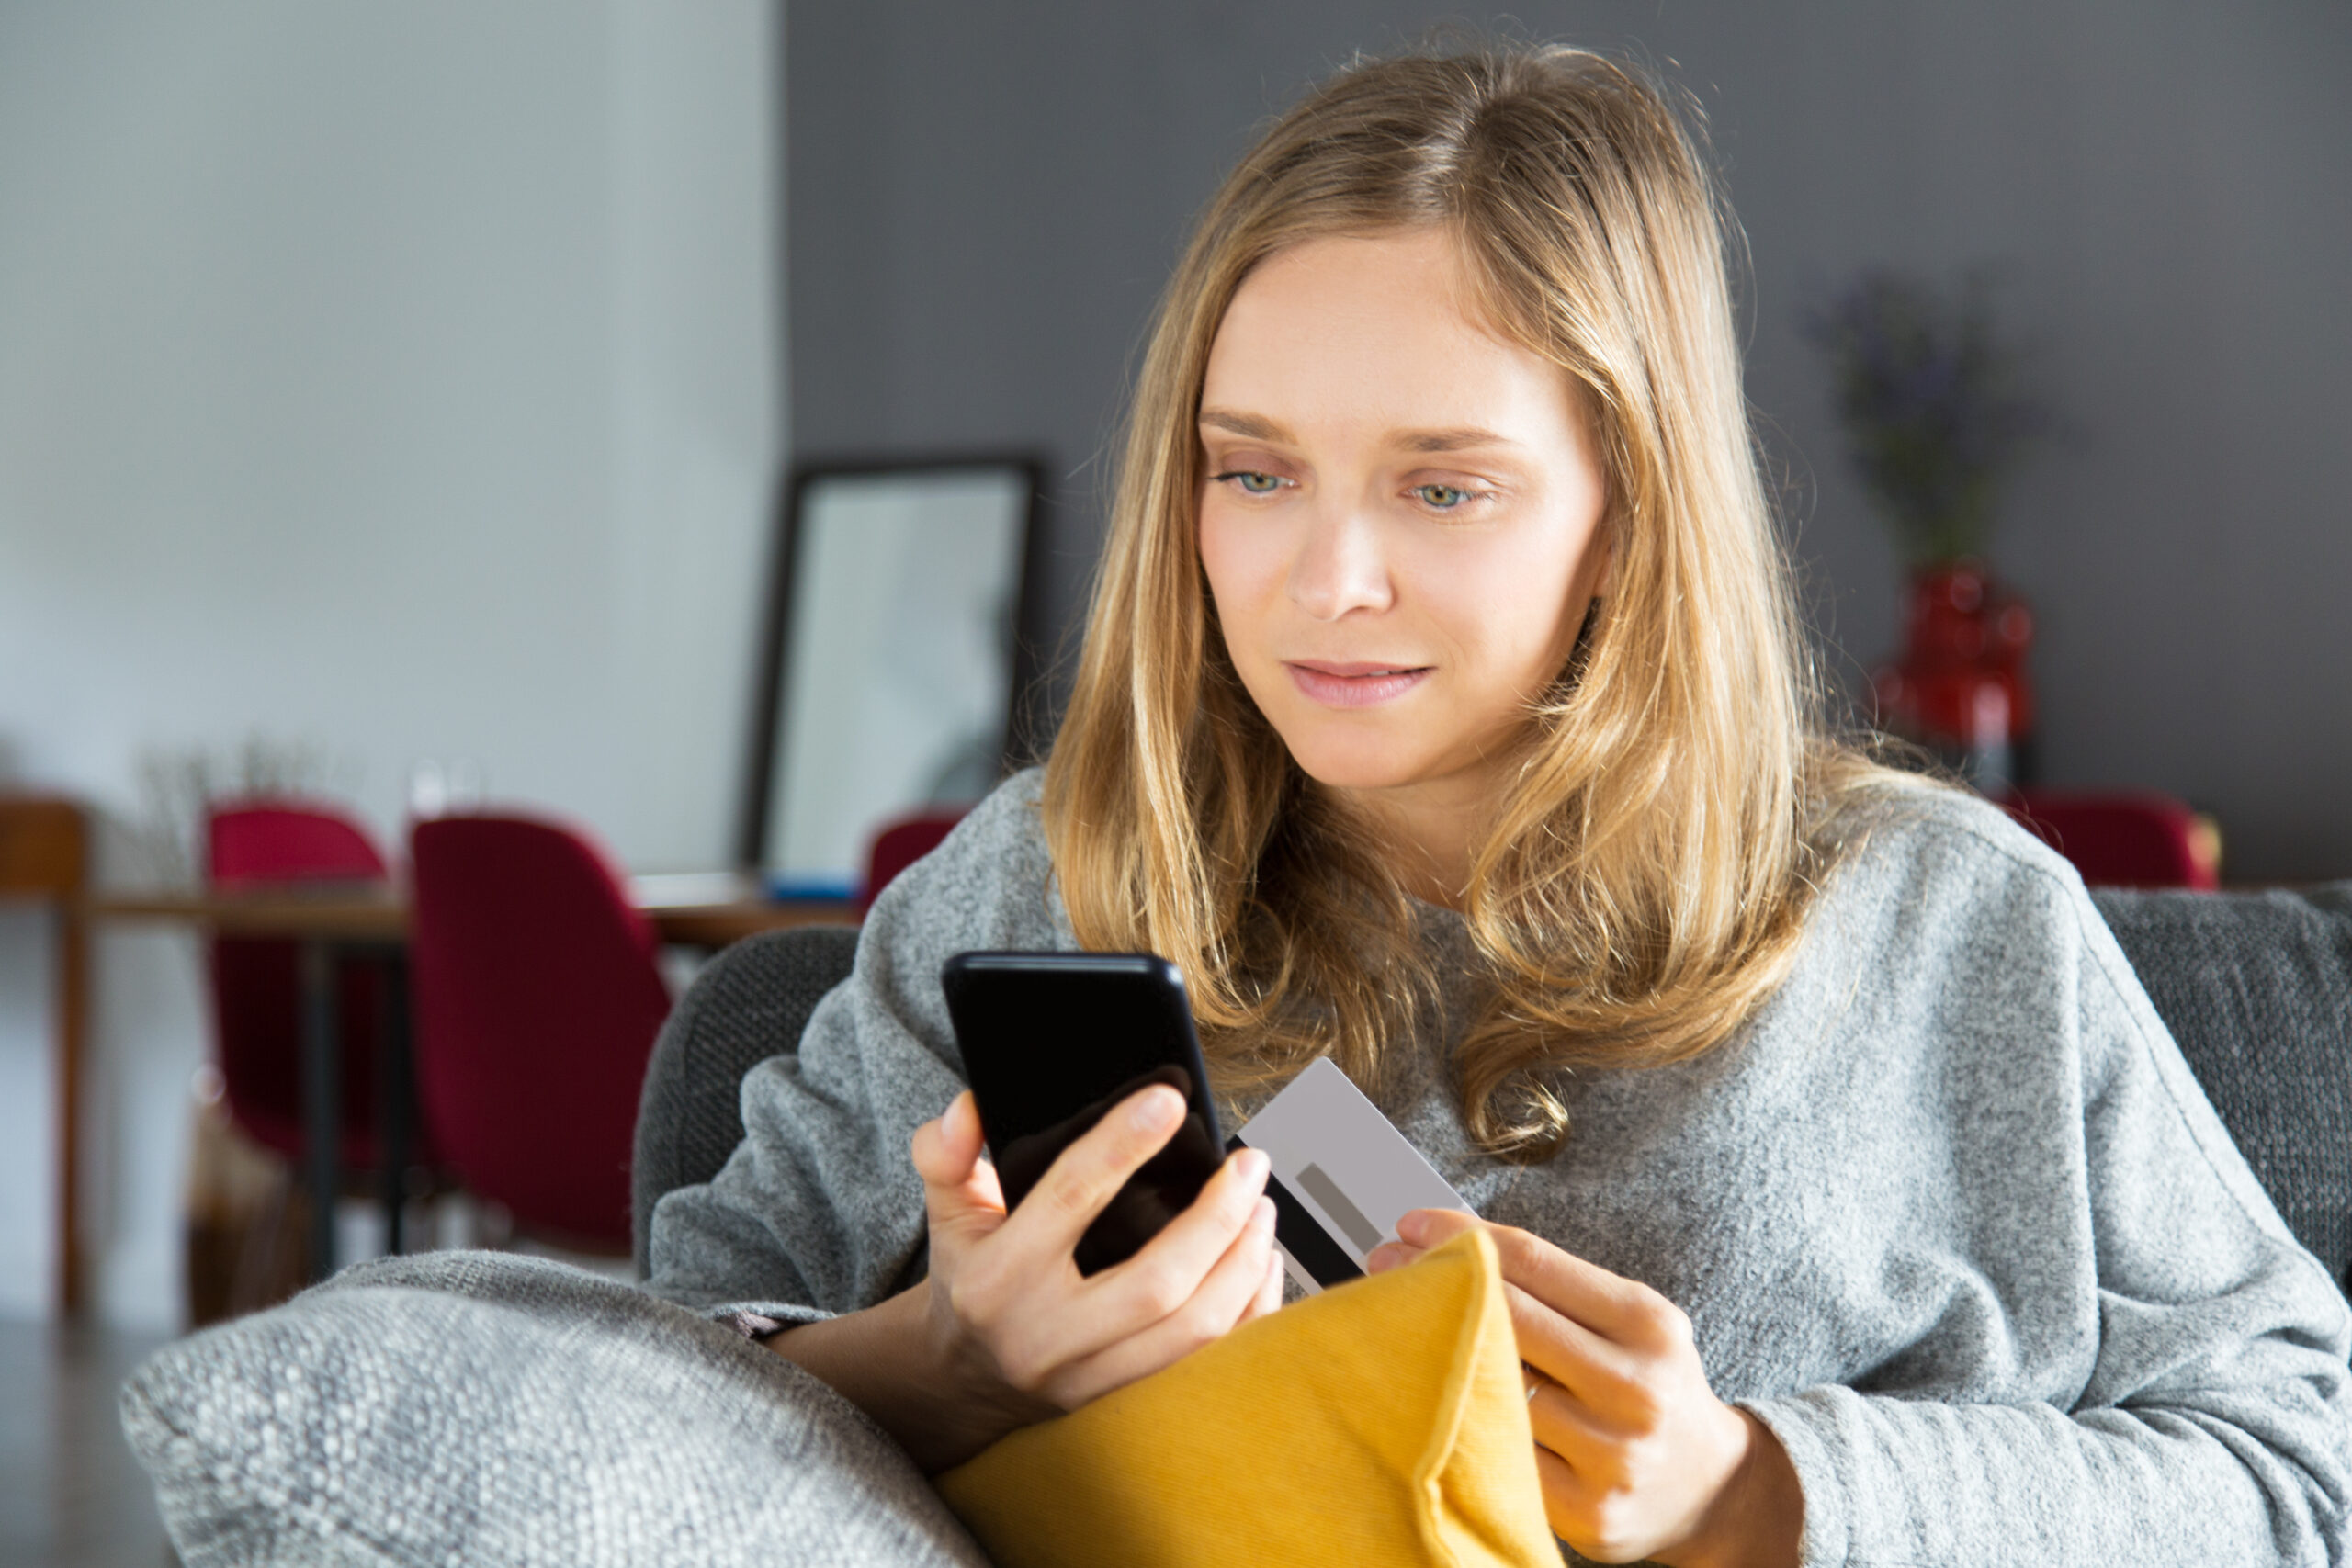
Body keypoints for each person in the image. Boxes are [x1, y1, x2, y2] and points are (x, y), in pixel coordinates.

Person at [649, 43, 2349, 1566]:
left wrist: (1754, 1490)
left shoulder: (1947, 923)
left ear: (1628, 509)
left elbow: (2302, 1484)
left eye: (1443, 487)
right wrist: (945, 1368)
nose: (1327, 582)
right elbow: (651, 1364)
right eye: (1252, 472)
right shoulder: (1041, 880)